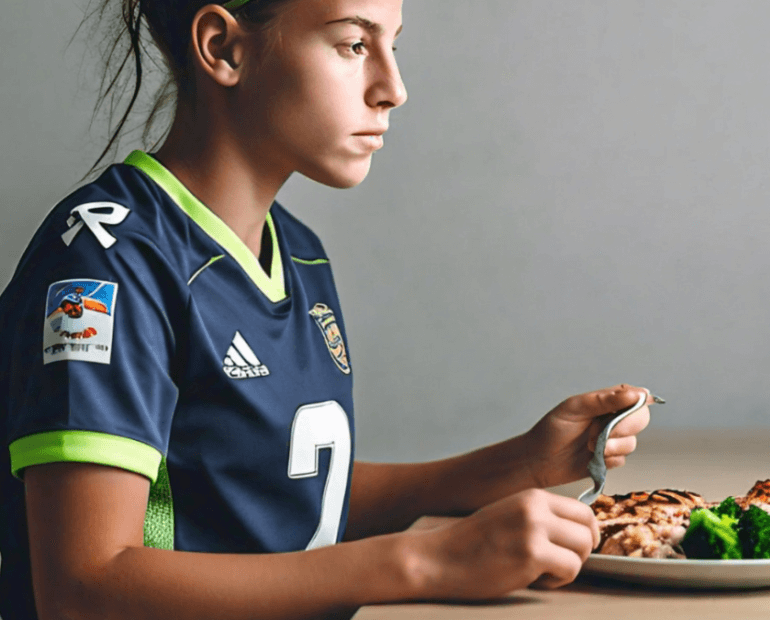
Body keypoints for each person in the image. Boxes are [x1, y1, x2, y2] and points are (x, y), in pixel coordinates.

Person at [0, 1, 656, 618]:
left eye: (392, 47)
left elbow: (284, 490)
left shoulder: (300, 252)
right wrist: (421, 562)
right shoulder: (105, 263)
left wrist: (517, 467)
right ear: (224, 48)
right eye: (352, 44)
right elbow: (80, 588)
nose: (393, 88)